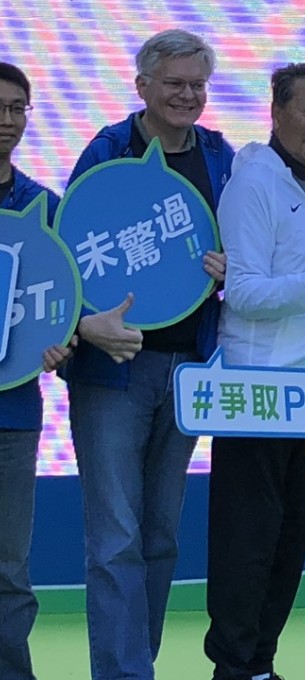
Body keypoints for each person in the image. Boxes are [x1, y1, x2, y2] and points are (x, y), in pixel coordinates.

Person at [60, 29, 234, 679]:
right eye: (175, 84)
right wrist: (83, 324)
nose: (188, 95)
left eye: (198, 84)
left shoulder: (220, 157)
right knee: (116, 539)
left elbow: (247, 246)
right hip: (111, 372)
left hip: (186, 367)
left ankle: (139, 663)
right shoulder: (107, 151)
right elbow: (67, 252)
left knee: (160, 536)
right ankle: (123, 673)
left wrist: (233, 268)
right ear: (143, 88)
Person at [203, 62, 305, 680]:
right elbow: (241, 292)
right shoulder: (254, 182)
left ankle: (261, 663)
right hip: (258, 391)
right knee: (248, 542)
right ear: (276, 112)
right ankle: (234, 665)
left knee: (288, 540)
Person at [0, 61, 67, 680]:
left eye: (17, 108)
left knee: (8, 570)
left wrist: (61, 340)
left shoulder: (44, 208)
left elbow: (66, 307)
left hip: (12, 415)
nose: (7, 120)